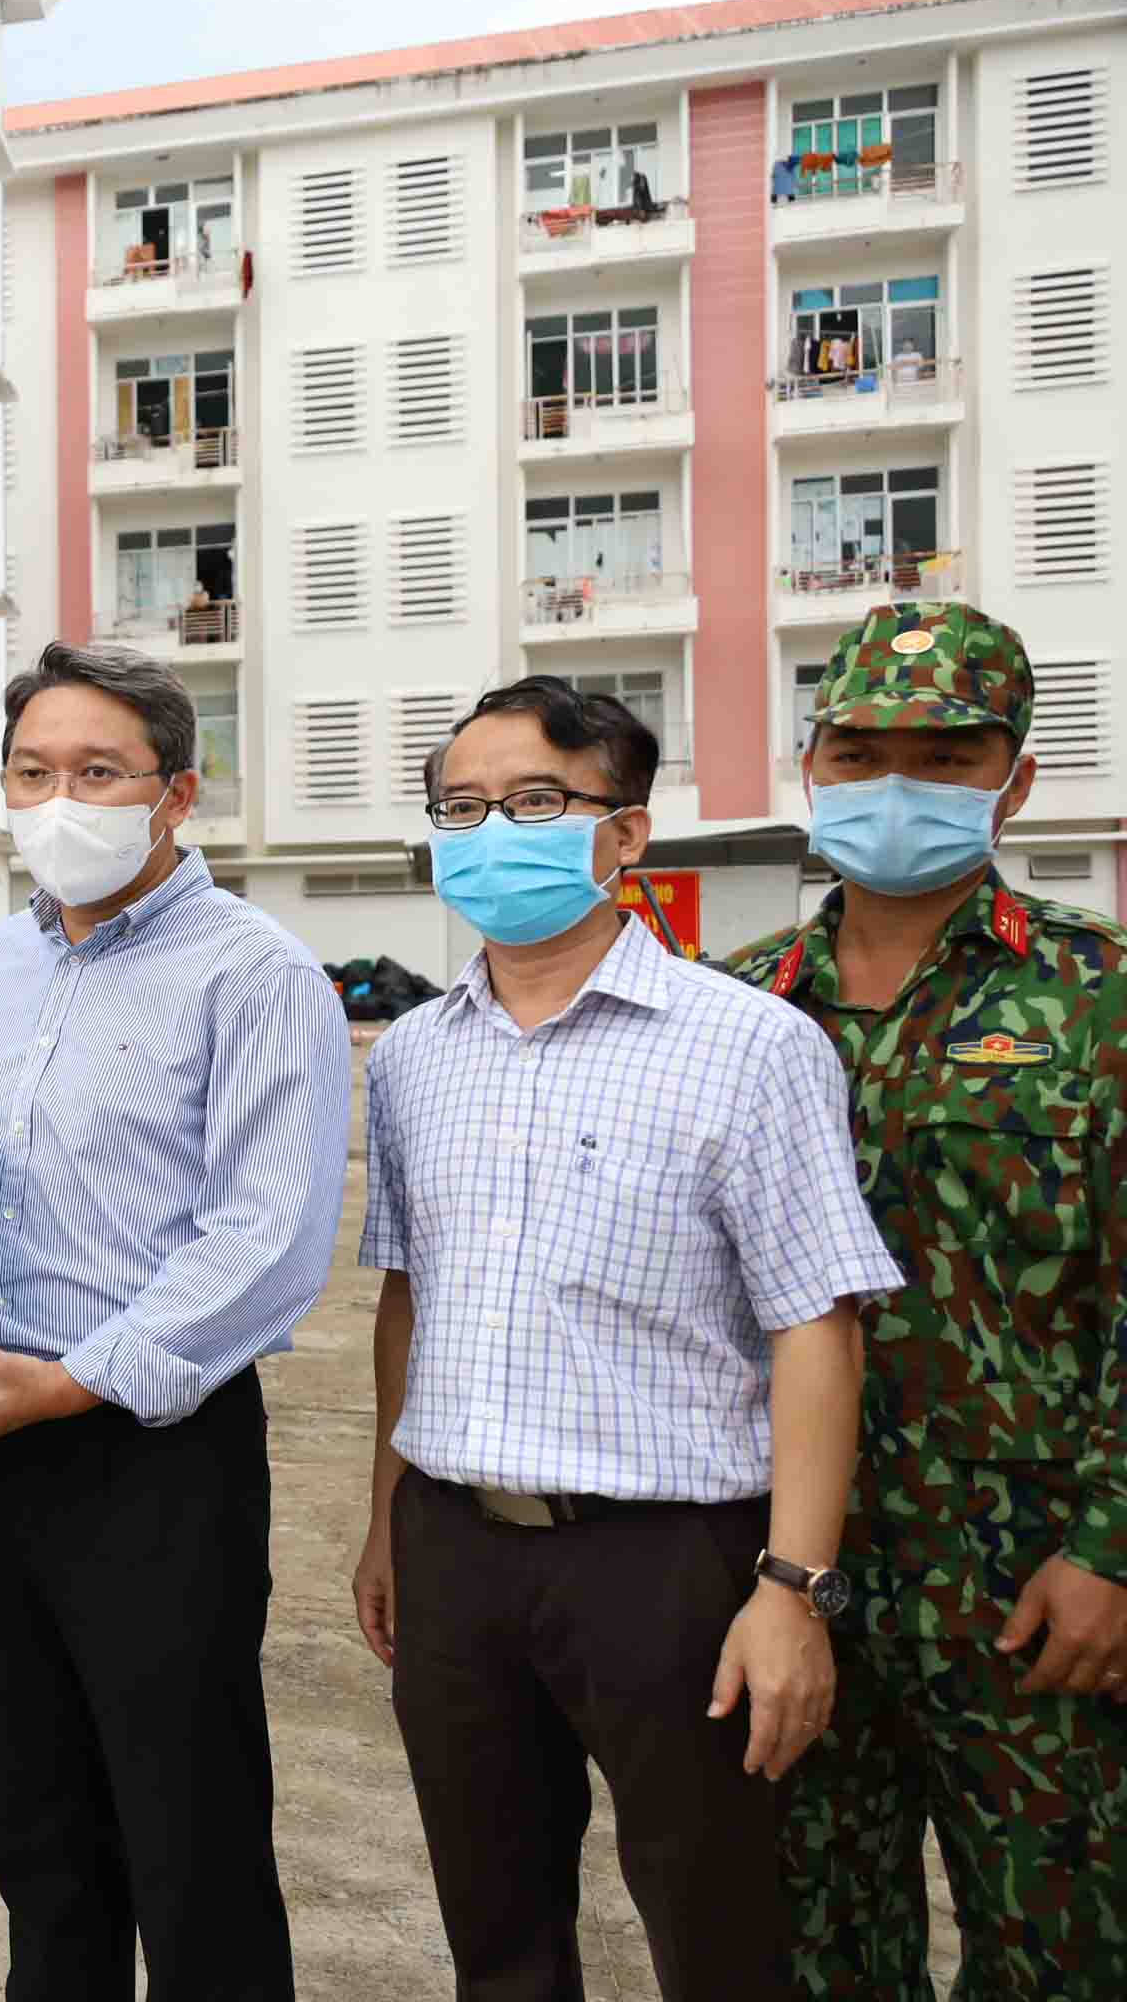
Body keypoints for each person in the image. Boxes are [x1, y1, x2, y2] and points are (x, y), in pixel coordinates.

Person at [354, 676, 896, 2002]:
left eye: (537, 802)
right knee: (499, 1937)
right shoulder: (414, 1054)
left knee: (718, 1940)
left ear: (627, 833)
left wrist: (793, 1591)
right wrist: (384, 1521)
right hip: (456, 1550)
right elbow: (407, 1299)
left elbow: (816, 1326)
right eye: (463, 810)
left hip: (670, 1568)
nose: (495, 836)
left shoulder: (751, 1047)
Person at [0, 642, 348, 2002]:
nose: (60, 800)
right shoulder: (4, 969)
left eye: (100, 772)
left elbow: (265, 1240)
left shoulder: (255, 974)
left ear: (177, 793)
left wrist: (79, 1382)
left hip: (157, 1454)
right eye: (33, 772)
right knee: (39, 1837)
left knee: (188, 1844)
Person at [719, 604, 1127, 1995]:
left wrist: (1113, 1549)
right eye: (861, 746)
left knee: (1065, 1949)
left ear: (1016, 778)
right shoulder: (734, 1004)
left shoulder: (1097, 997)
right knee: (813, 1943)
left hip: (1029, 1582)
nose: (899, 782)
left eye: (947, 753)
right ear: (812, 762)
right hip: (790, 1567)